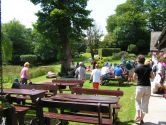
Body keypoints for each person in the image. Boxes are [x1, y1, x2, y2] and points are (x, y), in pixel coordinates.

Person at [133, 55, 154, 124]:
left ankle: (138, 115)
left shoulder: (137, 67)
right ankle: (141, 119)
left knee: (137, 101)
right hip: (148, 87)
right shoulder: (149, 67)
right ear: (144, 60)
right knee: (145, 104)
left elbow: (133, 77)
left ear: (138, 60)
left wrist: (138, 79)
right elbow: (153, 76)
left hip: (140, 87)